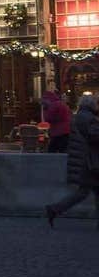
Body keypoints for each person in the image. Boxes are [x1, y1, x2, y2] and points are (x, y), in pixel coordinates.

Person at [45, 94, 99, 228]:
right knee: (85, 191)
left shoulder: (80, 116)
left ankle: (55, 209)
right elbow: (94, 136)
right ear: (92, 104)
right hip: (89, 161)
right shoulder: (89, 118)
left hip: (83, 160)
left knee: (83, 192)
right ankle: (55, 209)